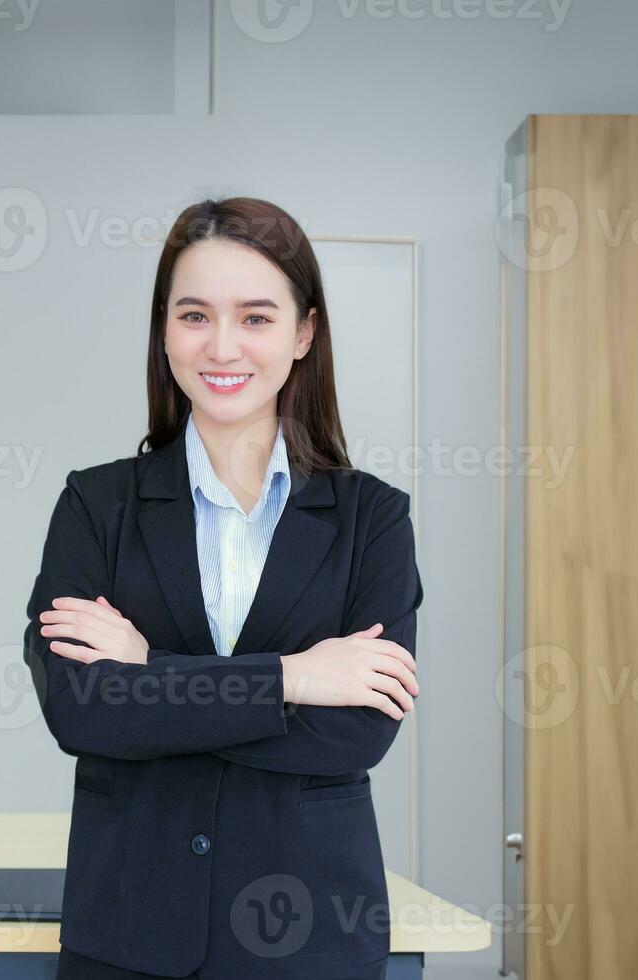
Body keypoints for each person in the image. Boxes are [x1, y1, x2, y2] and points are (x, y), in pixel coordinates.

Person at [23, 196, 424, 980]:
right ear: (164, 330)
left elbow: (357, 733)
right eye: (195, 315)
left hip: (310, 938)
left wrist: (150, 673)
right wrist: (296, 677)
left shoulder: (372, 518)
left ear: (304, 332)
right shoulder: (96, 506)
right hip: (130, 937)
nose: (222, 345)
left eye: (257, 317)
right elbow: (82, 709)